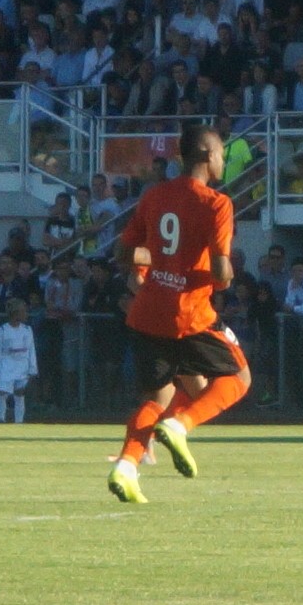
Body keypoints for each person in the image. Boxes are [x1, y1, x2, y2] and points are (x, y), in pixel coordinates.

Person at [107, 122, 245, 504]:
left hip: (147, 312)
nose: (223, 160)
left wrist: (164, 263)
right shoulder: (216, 203)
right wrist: (224, 279)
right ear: (206, 155)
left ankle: (126, 467)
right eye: (221, 154)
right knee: (239, 378)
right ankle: (180, 427)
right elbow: (221, 273)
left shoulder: (154, 196)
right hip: (188, 314)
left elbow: (123, 253)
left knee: (159, 396)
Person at [0, 298, 38, 424]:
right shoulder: (3, 330)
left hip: (22, 365)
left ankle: (19, 421)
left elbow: (31, 350)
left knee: (20, 394)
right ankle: (1, 418)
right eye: (24, 312)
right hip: (7, 365)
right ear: (16, 313)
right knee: (2, 392)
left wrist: (33, 368)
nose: (26, 314)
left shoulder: (27, 330)